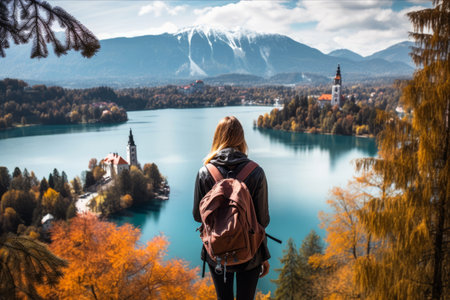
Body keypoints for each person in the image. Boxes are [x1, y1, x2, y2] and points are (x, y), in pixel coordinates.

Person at [193, 116, 270, 300]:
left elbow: (197, 216)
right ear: (241, 138)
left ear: (217, 138)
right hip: (250, 253)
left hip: (217, 252)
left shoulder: (205, 172)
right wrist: (264, 256)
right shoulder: (256, 172)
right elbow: (263, 220)